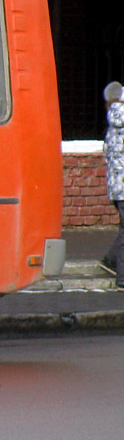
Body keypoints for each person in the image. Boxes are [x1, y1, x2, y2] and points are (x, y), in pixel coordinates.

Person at [100, 81, 124, 287]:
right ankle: (122, 278)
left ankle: (109, 261)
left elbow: (106, 154)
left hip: (117, 187)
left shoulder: (111, 127)